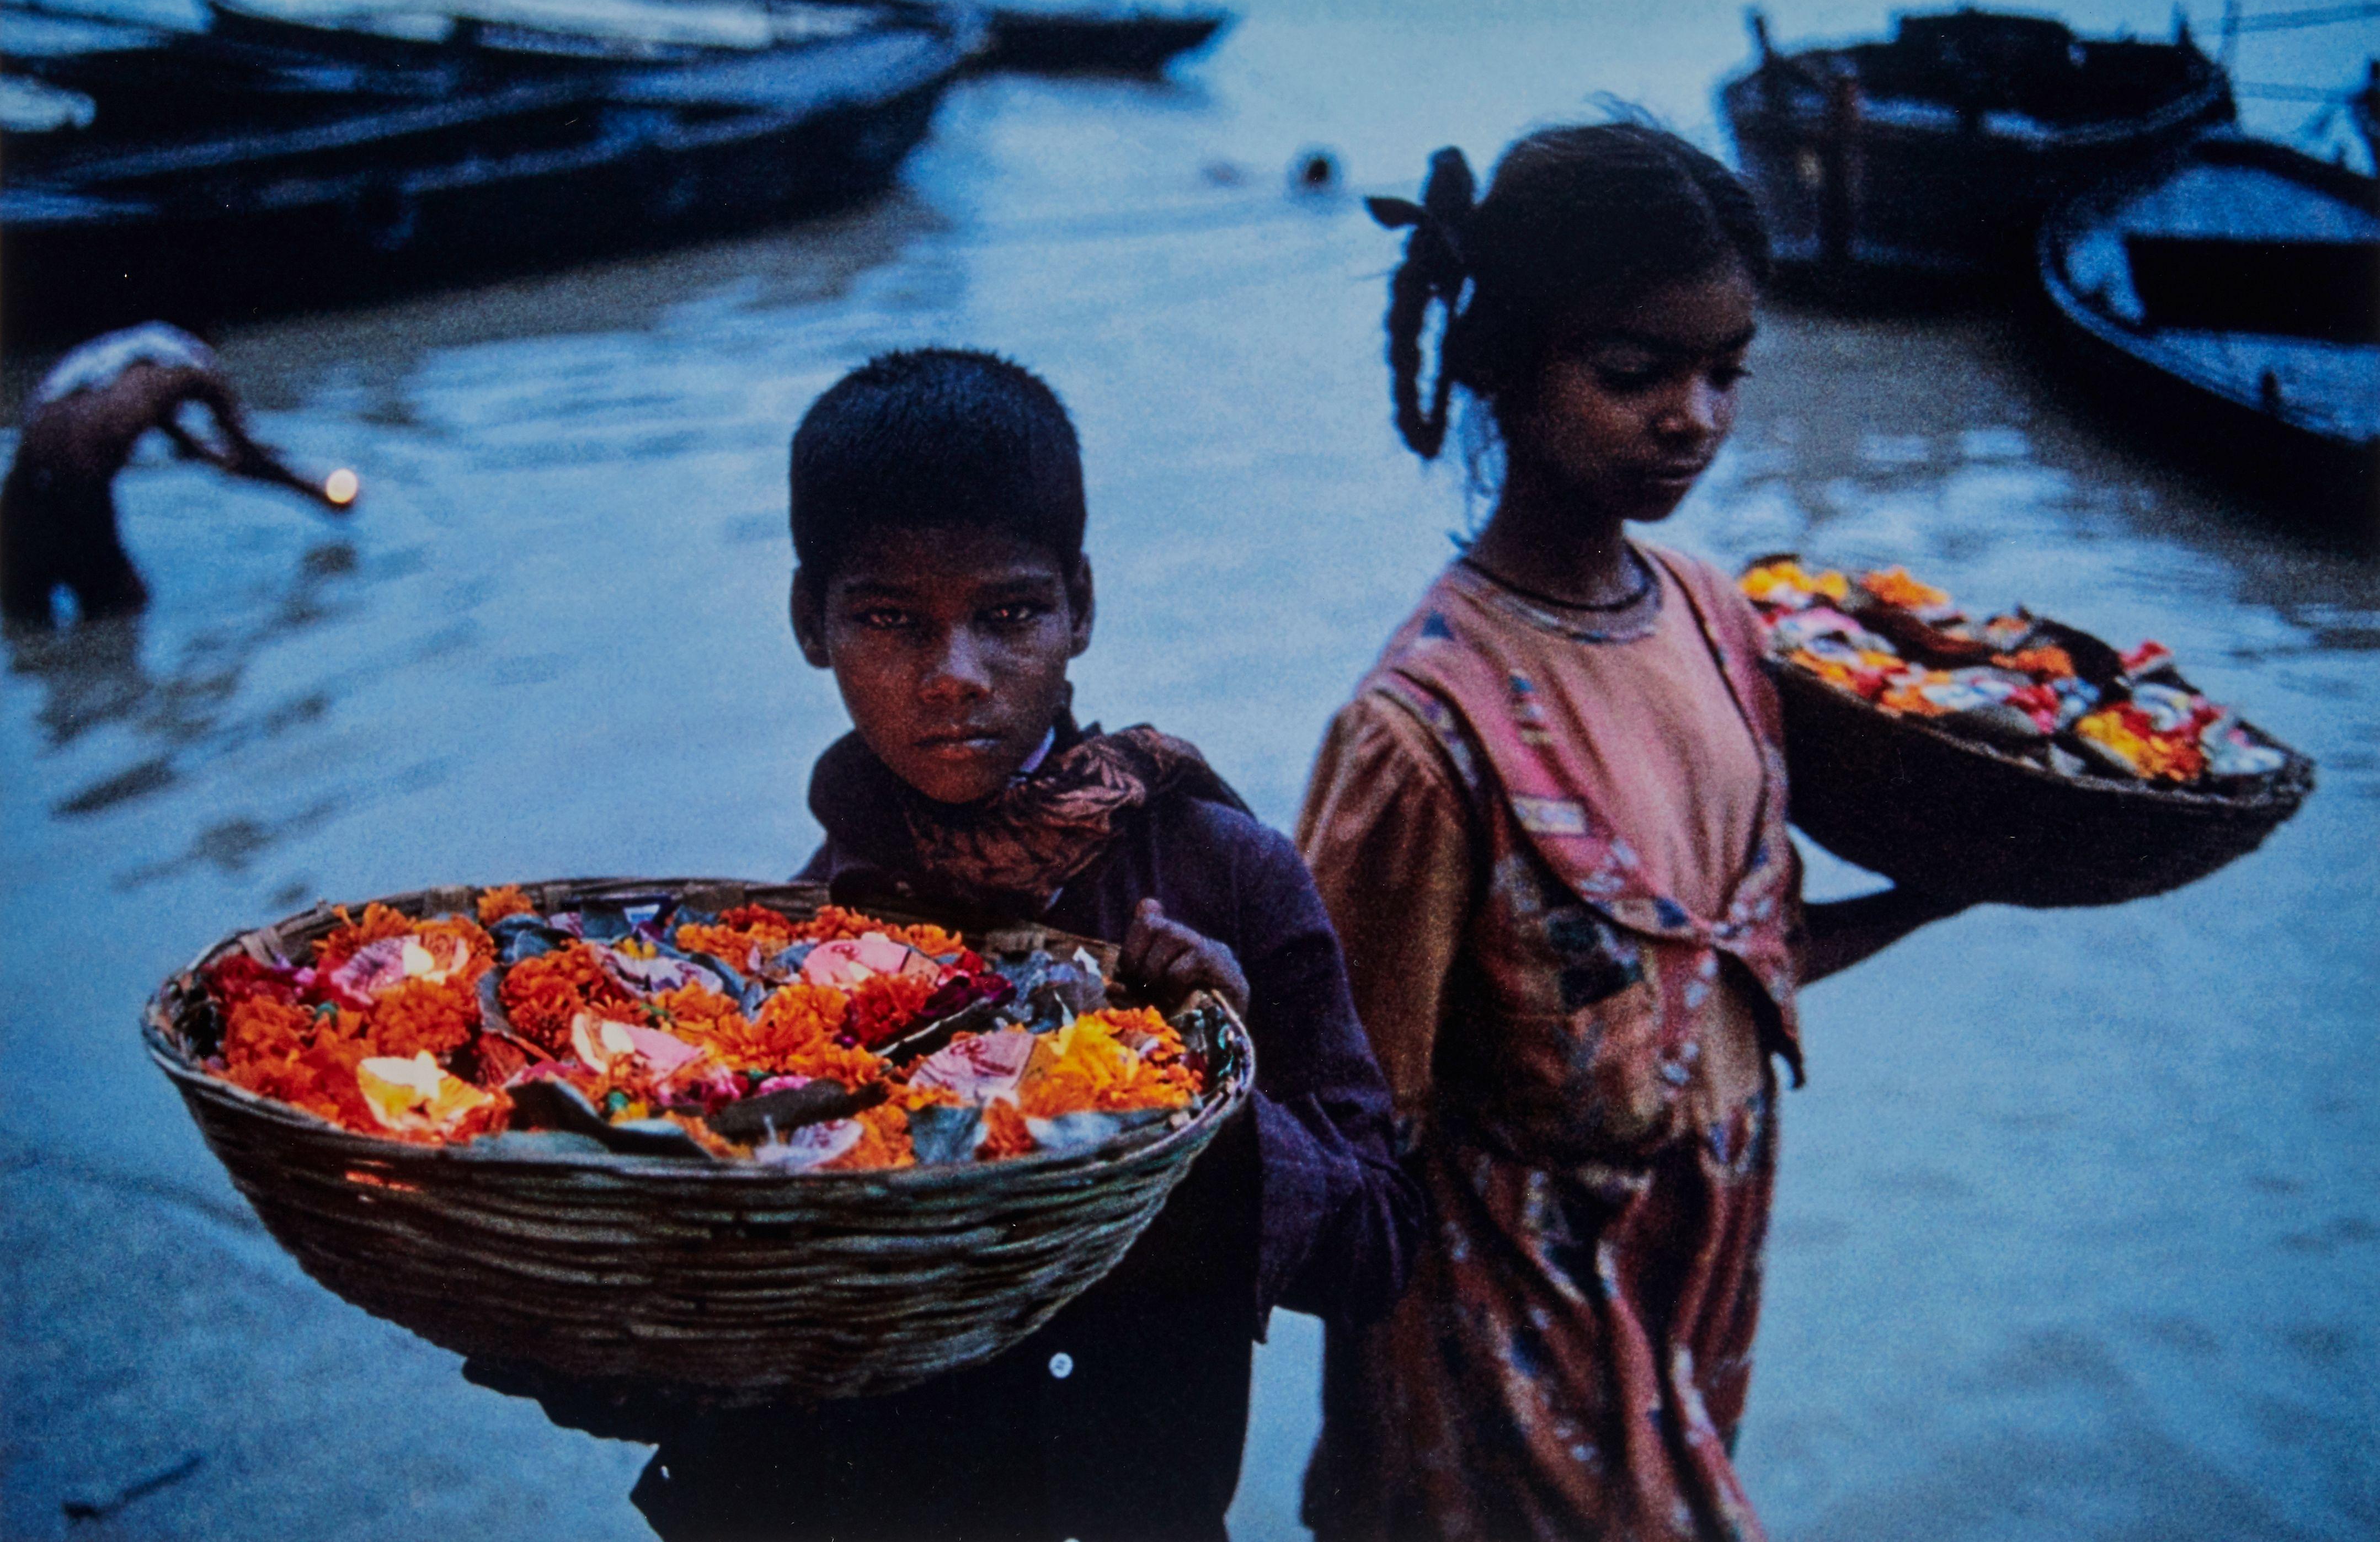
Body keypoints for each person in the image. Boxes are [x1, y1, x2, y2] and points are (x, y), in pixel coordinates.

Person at [481, 347, 1419, 1542]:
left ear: (1082, 604)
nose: (954, 678)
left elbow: (1381, 1251)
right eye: (889, 621)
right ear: (808, 623)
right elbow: (758, 1306)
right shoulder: (791, 949)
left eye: (1009, 613)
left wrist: (1221, 1101)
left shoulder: (1221, 875)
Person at [1294, 124, 1965, 1541]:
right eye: (1634, 372)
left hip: (1699, 1251)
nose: (1695, 418)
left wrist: (1937, 893)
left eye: (1727, 372)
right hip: (1506, 1305)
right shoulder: (1423, 735)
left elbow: (1717, 968)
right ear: (1503, 363)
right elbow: (1350, 1115)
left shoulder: (1721, 625)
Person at [2, 321, 355, 626]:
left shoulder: (117, 363)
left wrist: (210, 457)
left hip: (17, 496)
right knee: (124, 613)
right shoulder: (195, 369)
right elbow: (250, 457)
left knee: (30, 623)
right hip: (78, 475)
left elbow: (188, 444)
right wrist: (316, 492)